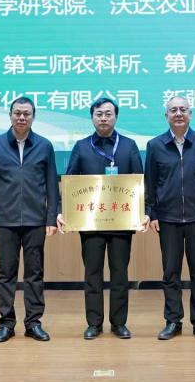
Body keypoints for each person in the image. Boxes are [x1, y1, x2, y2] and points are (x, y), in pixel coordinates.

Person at [58, 98, 147, 340]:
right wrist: (63, 211)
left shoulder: (128, 146)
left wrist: (143, 212)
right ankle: (94, 324)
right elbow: (70, 181)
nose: (104, 118)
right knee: (92, 274)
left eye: (108, 114)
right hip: (90, 223)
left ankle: (119, 323)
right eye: (99, 114)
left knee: (120, 274)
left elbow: (139, 182)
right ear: (92, 117)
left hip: (121, 223)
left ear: (116, 117)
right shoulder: (82, 147)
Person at [0, 97, 59, 343]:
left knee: (34, 274)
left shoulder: (44, 146)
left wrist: (51, 217)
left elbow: (52, 184)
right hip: (5, 220)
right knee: (6, 274)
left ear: (33, 117)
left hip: (36, 220)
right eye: (17, 113)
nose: (22, 117)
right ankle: (6, 324)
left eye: (26, 113)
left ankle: (33, 323)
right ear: (10, 115)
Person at [144, 95, 195, 341]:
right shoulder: (155, 145)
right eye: (173, 110)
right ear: (166, 115)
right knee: (170, 273)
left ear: (190, 114)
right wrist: (152, 213)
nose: (178, 113)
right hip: (167, 218)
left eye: (183, 109)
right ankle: (172, 321)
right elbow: (150, 183)